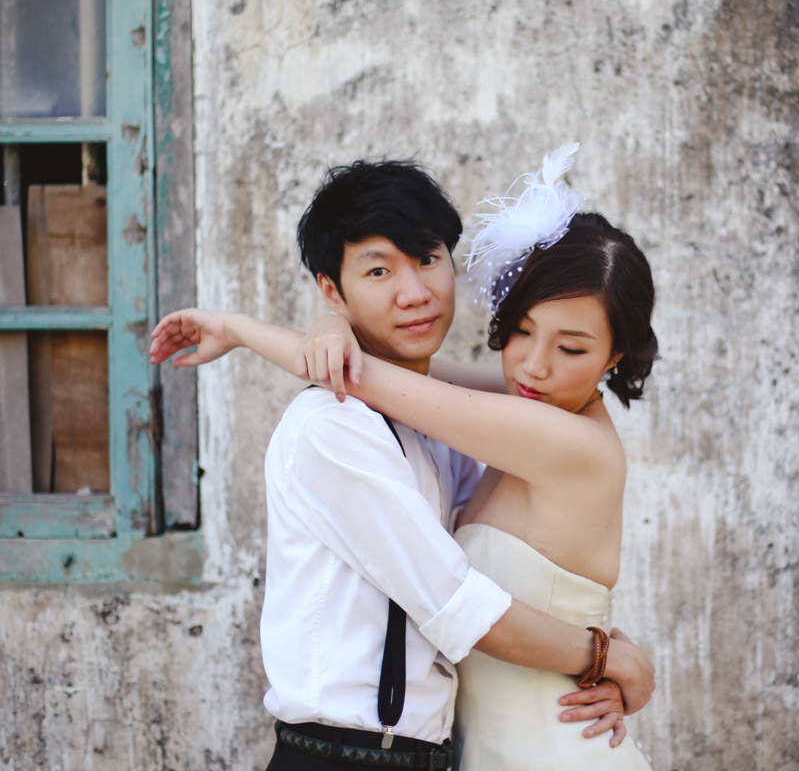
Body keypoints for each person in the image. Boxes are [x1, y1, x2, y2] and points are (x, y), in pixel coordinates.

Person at [149, 153, 653, 771]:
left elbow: (393, 383)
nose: (533, 366)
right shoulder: (336, 426)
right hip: (356, 755)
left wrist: (267, 329)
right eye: (521, 332)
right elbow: (454, 602)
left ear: (614, 355)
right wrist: (606, 655)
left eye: (428, 260)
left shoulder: (522, 433)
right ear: (334, 288)